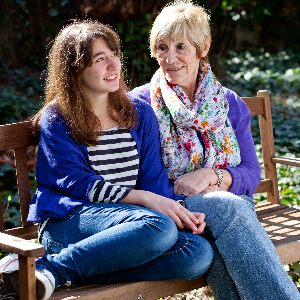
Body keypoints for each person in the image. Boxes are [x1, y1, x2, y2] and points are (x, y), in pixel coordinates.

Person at [0, 20, 214, 300]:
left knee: (196, 254)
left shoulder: (139, 113)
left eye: (114, 54)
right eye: (101, 59)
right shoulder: (58, 118)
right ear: (74, 70)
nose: (114, 65)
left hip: (130, 227)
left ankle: (55, 272)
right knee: (158, 228)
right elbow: (77, 183)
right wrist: (147, 202)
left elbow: (152, 181)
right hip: (69, 223)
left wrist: (174, 212)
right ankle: (50, 266)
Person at [129, 1, 300, 299]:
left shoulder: (228, 103)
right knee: (230, 209)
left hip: (222, 217)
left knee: (221, 246)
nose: (169, 59)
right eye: (162, 47)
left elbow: (250, 172)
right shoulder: (142, 105)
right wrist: (200, 192)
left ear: (203, 47)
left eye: (181, 47)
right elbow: (141, 183)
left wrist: (211, 176)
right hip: (170, 214)